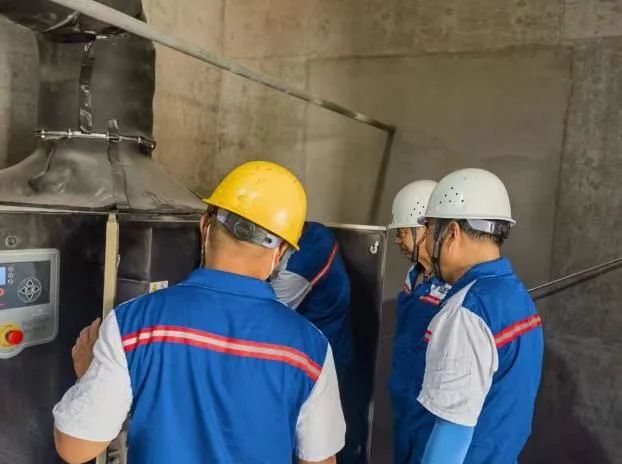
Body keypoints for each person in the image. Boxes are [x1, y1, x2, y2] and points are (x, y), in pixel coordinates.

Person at [52, 161, 346, 464]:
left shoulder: (133, 325)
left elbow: (75, 449)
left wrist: (89, 378)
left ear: (205, 225)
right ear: (280, 252)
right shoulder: (310, 350)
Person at [417, 168, 544, 464]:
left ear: (452, 233)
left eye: (430, 232)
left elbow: (452, 432)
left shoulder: (467, 312)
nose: (425, 245)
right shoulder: (516, 296)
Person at [270, 221, 365, 464]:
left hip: (321, 360)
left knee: (320, 445)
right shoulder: (312, 235)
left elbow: (267, 314)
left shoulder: (309, 252)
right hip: (310, 357)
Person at [386, 180, 453, 464]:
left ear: (426, 229)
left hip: (431, 413)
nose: (398, 240)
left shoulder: (454, 287)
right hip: (405, 403)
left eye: (402, 232)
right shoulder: (414, 276)